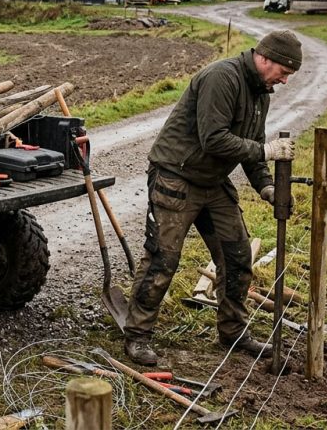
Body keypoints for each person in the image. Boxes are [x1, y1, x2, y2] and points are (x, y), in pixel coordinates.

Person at [123, 29, 303, 366]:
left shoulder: (261, 92)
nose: (285, 81)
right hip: (175, 176)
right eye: (284, 72)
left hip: (213, 182)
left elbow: (251, 146)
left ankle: (234, 331)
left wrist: (265, 186)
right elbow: (214, 139)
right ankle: (137, 335)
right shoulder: (222, 77)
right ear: (265, 59)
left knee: (236, 256)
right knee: (163, 259)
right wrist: (267, 151)